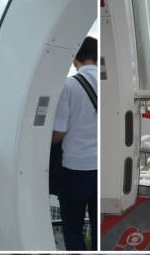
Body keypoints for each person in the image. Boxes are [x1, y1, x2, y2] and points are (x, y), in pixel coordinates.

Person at [52, 36, 98, 250]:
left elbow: (59, 131)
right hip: (103, 167)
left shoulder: (69, 85)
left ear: (74, 61)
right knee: (100, 226)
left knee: (72, 228)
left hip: (76, 169)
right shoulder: (110, 84)